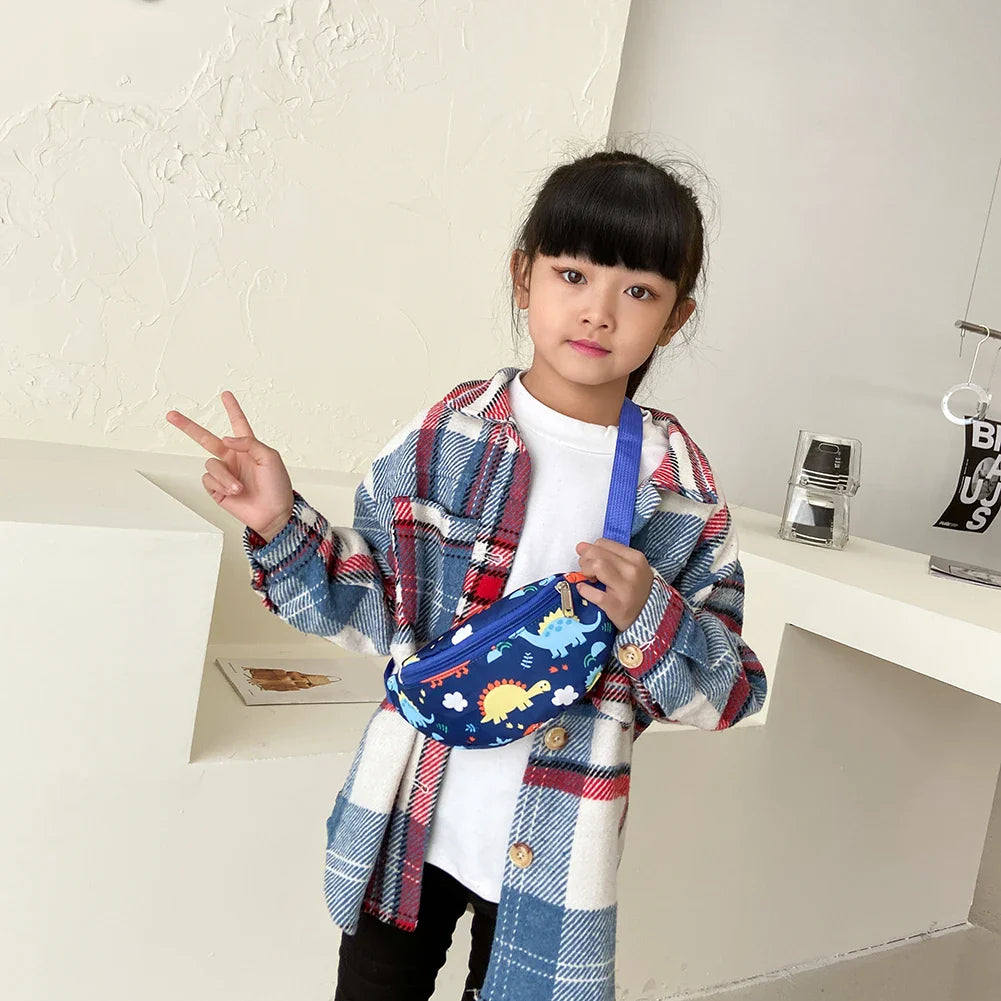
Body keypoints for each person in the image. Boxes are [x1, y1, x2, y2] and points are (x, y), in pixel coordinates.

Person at [166, 146, 767, 1001]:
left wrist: (649, 614)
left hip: (557, 851)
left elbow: (729, 693)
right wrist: (276, 521)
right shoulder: (449, 432)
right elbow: (370, 606)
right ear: (523, 276)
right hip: (408, 822)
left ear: (676, 318)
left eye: (637, 291)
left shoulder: (679, 489)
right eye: (571, 274)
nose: (597, 311)